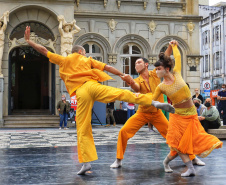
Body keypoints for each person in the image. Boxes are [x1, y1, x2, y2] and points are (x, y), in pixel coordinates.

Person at [24, 26, 175, 175]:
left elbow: (45, 51)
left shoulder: (64, 60)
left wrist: (29, 41)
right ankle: (153, 101)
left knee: (82, 127)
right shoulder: (87, 59)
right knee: (119, 93)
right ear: (81, 52)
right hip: (93, 86)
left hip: (81, 92)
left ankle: (86, 163)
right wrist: (121, 74)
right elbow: (107, 67)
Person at [110, 44, 204, 169]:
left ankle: (193, 158)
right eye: (135, 64)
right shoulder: (137, 80)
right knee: (123, 131)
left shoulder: (155, 73)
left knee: (173, 136)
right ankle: (118, 160)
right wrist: (130, 81)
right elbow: (136, 88)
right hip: (142, 113)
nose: (135, 64)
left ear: (146, 64)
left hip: (157, 113)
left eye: (138, 62)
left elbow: (165, 57)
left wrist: (171, 46)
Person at [153, 40, 223, 177]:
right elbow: (152, 101)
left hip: (191, 114)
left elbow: (177, 57)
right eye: (155, 69)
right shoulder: (160, 87)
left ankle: (166, 162)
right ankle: (190, 168)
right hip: (177, 116)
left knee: (190, 141)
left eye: (158, 69)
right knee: (178, 145)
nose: (156, 72)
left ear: (167, 69)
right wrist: (160, 105)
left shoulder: (177, 74)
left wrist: (174, 46)